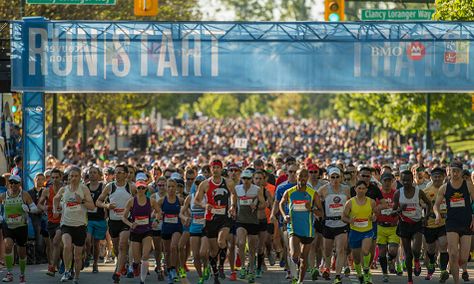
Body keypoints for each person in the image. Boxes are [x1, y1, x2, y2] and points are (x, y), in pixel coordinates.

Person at [194, 159, 237, 284]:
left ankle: (222, 266)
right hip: (211, 218)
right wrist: (204, 205)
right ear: (210, 169)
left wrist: (232, 206)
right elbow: (197, 200)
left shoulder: (228, 182)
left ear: (221, 169)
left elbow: (233, 195)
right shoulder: (205, 184)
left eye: (218, 167)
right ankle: (216, 274)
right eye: (213, 168)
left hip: (224, 217)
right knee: (213, 251)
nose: (215, 170)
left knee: (221, 240)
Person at [279, 168, 323, 284]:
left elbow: (321, 213)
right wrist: (284, 216)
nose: (302, 178)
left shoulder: (313, 193)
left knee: (304, 259)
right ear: (296, 177)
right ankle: (293, 274)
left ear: (307, 178)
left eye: (304, 176)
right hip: (293, 227)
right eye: (300, 176)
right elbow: (281, 203)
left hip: (307, 230)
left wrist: (312, 209)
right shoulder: (289, 192)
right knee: (294, 255)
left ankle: (300, 281)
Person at [53, 166, 96, 284]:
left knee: (77, 256)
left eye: (76, 176)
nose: (73, 178)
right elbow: (55, 199)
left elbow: (92, 207)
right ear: (68, 177)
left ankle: (76, 276)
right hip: (66, 224)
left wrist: (81, 201)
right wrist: (55, 210)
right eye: (71, 176)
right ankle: (67, 271)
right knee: (67, 246)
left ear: (80, 177)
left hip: (80, 225)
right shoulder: (64, 189)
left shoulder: (84, 189)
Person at [434, 161, 474, 284]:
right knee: (452, 255)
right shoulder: (444, 188)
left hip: (466, 223)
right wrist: (437, 215)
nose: (455, 173)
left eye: (457, 171)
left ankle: (452, 266)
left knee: (463, 258)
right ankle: (456, 281)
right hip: (451, 223)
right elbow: (436, 205)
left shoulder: (468, 185)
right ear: (449, 171)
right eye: (453, 171)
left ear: (461, 172)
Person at [96, 164, 137, 284]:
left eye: (120, 172)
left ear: (125, 174)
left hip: (126, 221)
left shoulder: (131, 187)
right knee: (117, 248)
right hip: (113, 222)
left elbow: (139, 202)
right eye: (116, 172)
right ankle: (122, 264)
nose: (117, 175)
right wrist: (107, 205)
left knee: (122, 245)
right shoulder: (110, 186)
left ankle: (117, 273)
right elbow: (98, 201)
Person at [392, 169, 431, 284]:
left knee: (416, 250)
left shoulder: (419, 192)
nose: (405, 182)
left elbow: (429, 203)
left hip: (417, 223)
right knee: (408, 254)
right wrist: (400, 209)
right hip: (404, 224)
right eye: (403, 180)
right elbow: (393, 212)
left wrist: (426, 217)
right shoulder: (398, 193)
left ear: (412, 180)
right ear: (400, 180)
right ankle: (409, 279)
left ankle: (417, 260)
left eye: (408, 180)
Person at [1, 175, 38, 284]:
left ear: (19, 184)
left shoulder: (24, 195)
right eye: (11, 183)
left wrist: (29, 209)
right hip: (8, 226)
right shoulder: (4, 195)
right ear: (8, 184)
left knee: (22, 252)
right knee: (8, 245)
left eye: (15, 183)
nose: (13, 185)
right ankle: (9, 273)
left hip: (21, 226)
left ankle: (22, 275)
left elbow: (35, 208)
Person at [122, 179, 160, 284]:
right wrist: (130, 224)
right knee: (137, 259)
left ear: (146, 189)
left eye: (143, 188)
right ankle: (135, 265)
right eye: (139, 188)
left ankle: (142, 280)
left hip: (147, 230)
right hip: (135, 231)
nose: (141, 190)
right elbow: (124, 217)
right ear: (136, 189)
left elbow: (159, 212)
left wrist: (156, 220)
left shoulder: (151, 201)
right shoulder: (131, 201)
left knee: (145, 255)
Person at [318, 167, 350, 281]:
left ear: (341, 177)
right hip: (328, 223)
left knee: (340, 249)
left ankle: (337, 275)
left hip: (342, 223)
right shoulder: (323, 189)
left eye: (337, 177)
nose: (335, 179)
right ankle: (326, 267)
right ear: (329, 177)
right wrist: (318, 212)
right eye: (333, 177)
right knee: (327, 251)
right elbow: (315, 201)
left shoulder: (346, 189)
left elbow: (351, 203)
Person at [342, 180, 376, 284]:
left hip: (367, 231)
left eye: (363, 188)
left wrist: (374, 217)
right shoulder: (350, 202)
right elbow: (343, 217)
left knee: (366, 251)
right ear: (355, 189)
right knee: (356, 259)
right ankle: (359, 274)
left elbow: (375, 214)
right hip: (355, 232)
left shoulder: (371, 202)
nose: (361, 190)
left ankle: (366, 270)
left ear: (366, 190)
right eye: (359, 188)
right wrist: (349, 221)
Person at [234, 169, 265, 283]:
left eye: (248, 178)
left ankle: (251, 270)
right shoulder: (237, 189)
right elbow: (233, 202)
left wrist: (256, 206)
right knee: (241, 243)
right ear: (241, 179)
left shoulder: (256, 189)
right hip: (240, 220)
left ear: (251, 179)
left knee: (252, 249)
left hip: (253, 221)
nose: (246, 181)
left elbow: (264, 203)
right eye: (244, 178)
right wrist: (233, 208)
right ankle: (242, 267)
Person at [180, 176, 209, 284]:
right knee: (196, 255)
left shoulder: (208, 197)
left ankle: (207, 266)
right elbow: (181, 213)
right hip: (194, 228)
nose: (199, 185)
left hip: (206, 228)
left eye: (201, 183)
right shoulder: (190, 197)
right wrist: (185, 218)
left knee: (203, 253)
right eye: (197, 183)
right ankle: (201, 276)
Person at [422, 167, 449, 281]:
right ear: (431, 177)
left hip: (444, 223)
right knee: (431, 249)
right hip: (430, 224)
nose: (437, 178)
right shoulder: (426, 191)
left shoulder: (448, 189)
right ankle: (432, 261)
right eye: (435, 176)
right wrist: (428, 206)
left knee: (443, 245)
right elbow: (421, 204)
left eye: (439, 176)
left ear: (444, 177)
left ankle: (443, 271)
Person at [155, 178, 184, 284]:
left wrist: (185, 218)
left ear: (176, 188)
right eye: (169, 186)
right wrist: (157, 219)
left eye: (173, 186)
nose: (171, 189)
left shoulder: (180, 200)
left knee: (173, 247)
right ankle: (169, 270)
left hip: (177, 227)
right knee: (167, 252)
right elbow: (156, 213)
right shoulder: (162, 200)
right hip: (166, 227)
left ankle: (173, 270)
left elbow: (184, 211)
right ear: (166, 188)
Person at [38, 168, 63, 276]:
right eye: (53, 177)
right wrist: (45, 207)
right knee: (55, 245)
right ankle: (62, 261)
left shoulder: (65, 190)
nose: (55, 179)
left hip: (63, 221)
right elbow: (39, 204)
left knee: (57, 241)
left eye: (57, 177)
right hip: (51, 221)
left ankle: (52, 266)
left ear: (61, 177)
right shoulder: (46, 191)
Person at [376, 172, 400, 282]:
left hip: (393, 227)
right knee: (381, 252)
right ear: (381, 181)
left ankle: (391, 260)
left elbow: (400, 208)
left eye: (389, 180)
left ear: (392, 181)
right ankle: (385, 273)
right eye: (385, 180)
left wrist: (396, 212)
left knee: (393, 250)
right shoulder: (378, 194)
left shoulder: (396, 193)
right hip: (380, 226)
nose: (387, 183)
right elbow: (373, 208)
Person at [85, 166, 106, 273]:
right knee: (87, 240)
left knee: (96, 243)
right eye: (90, 172)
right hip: (87, 219)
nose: (92, 174)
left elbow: (107, 201)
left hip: (99, 218)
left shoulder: (103, 186)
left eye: (94, 172)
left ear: (99, 175)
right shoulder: (85, 186)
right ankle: (87, 255)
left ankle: (95, 264)